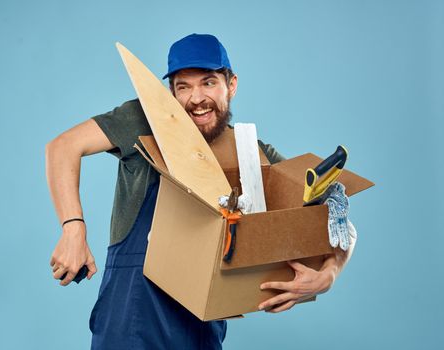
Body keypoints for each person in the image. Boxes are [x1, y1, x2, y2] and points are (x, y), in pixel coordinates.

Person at [46, 33, 355, 349]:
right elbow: (63, 147)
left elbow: (336, 220)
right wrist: (73, 230)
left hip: (201, 331)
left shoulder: (252, 155)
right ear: (171, 92)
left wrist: (328, 276)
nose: (196, 98)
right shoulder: (144, 119)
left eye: (208, 82)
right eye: (184, 86)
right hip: (130, 320)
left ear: (231, 85)